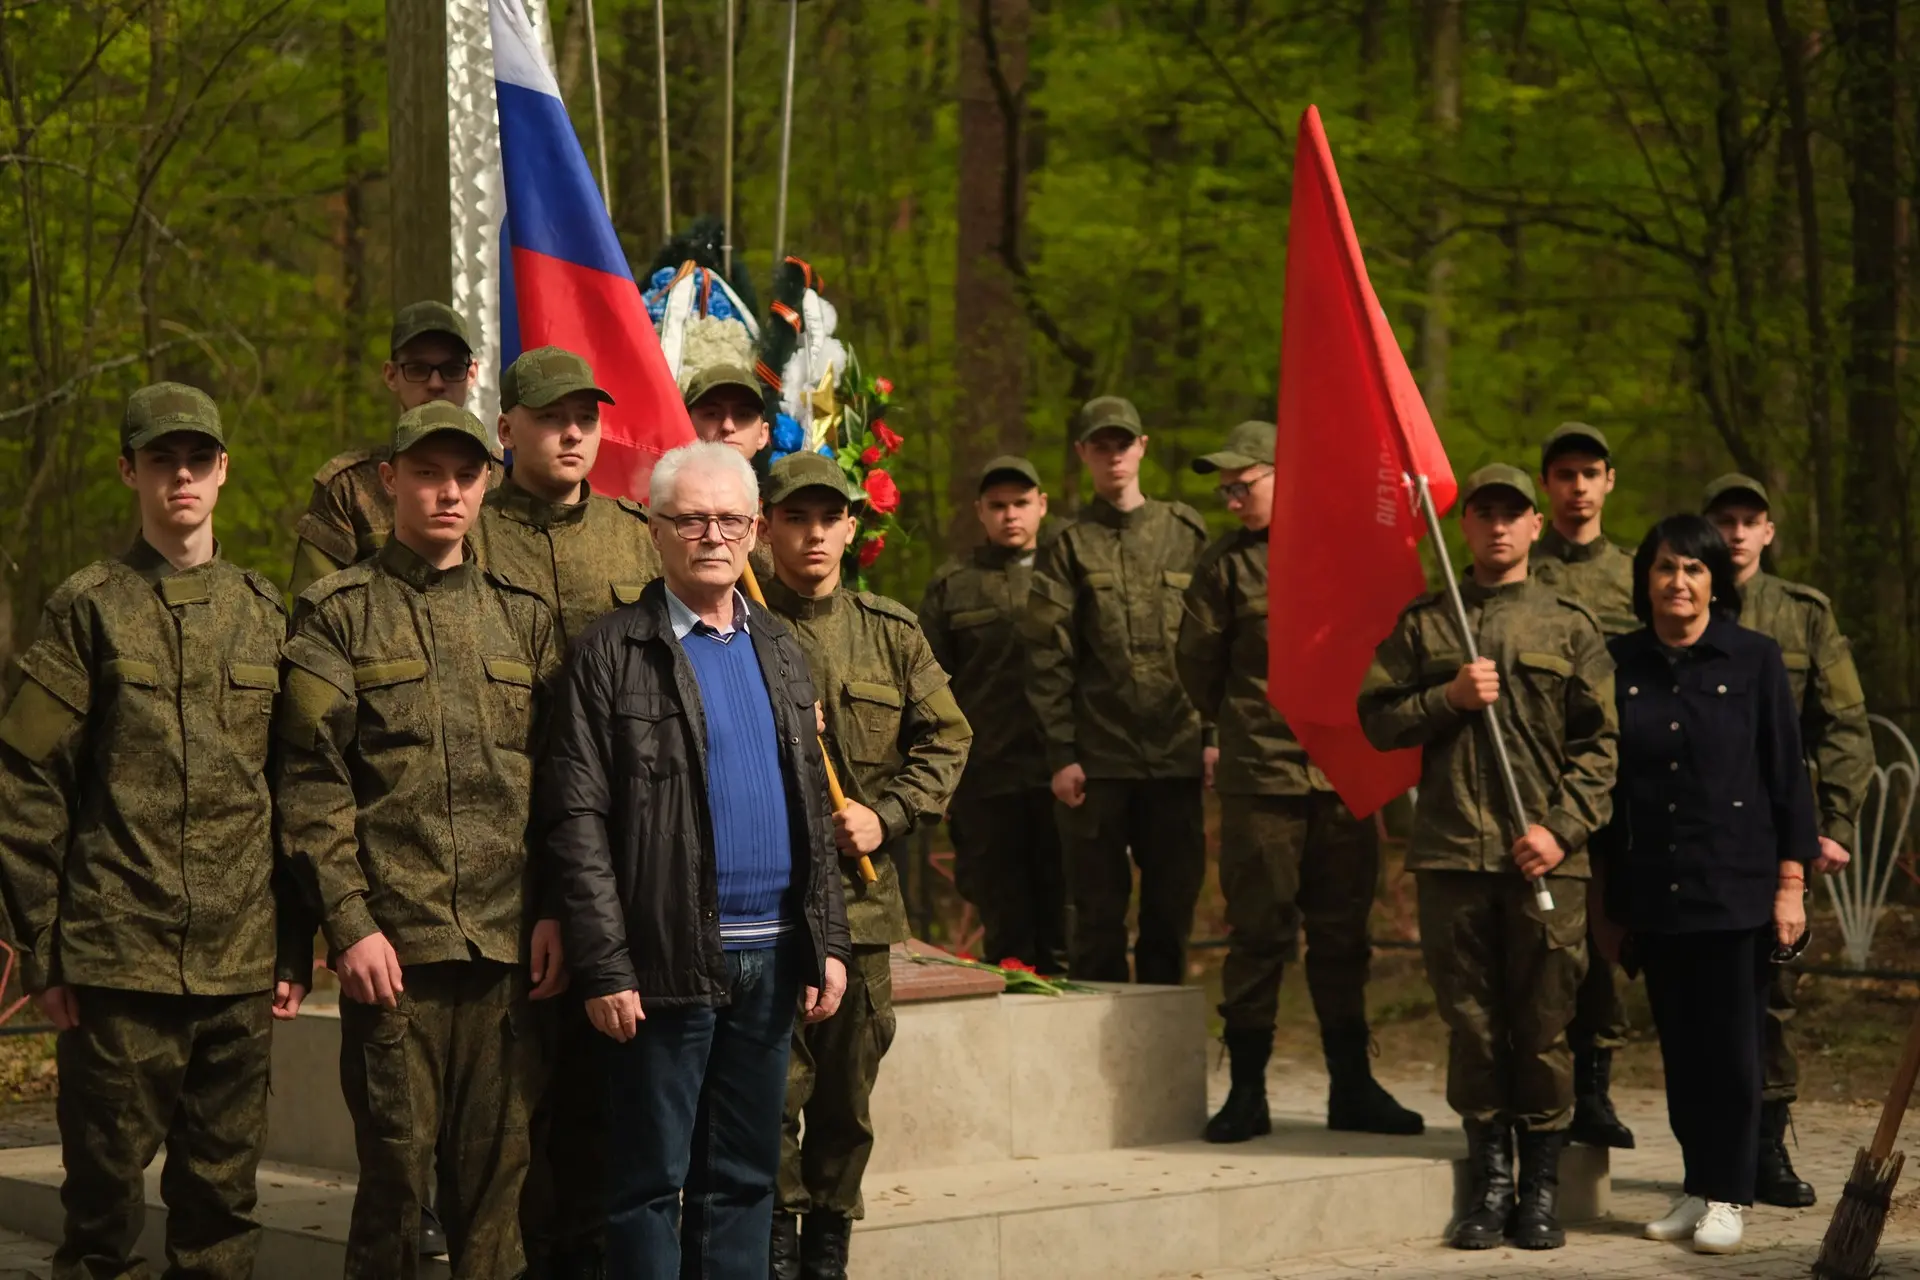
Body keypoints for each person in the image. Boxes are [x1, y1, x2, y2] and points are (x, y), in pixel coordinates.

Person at [0, 384, 310, 1280]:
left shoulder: (265, 614)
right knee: (100, 1216)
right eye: (161, 459)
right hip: (116, 963)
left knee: (223, 1215)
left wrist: (294, 944)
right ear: (129, 470)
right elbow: (28, 783)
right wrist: (44, 951)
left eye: (198, 459)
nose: (182, 476)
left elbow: (298, 793)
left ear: (223, 471)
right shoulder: (88, 608)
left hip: (237, 968)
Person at [537, 441, 851, 1279]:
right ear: (655, 529)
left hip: (773, 958)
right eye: (691, 520)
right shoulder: (610, 653)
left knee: (744, 1179)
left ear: (754, 530)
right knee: (648, 1182)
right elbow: (576, 819)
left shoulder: (780, 647)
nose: (712, 535)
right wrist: (605, 964)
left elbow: (811, 808)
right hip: (664, 960)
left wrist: (828, 941)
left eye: (729, 520)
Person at [275, 401, 565, 1279]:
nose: (448, 493)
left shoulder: (525, 618)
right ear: (388, 480)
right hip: (395, 953)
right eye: (428, 474)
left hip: (508, 953)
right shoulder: (338, 615)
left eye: (466, 476)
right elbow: (310, 783)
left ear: (486, 484)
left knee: (500, 1194)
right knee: (397, 1194)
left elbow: (563, 786)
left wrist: (558, 911)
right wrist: (349, 922)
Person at [1358, 464, 1617, 1252]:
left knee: (1542, 1027)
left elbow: (1602, 748)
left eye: (1513, 514)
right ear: (1464, 526)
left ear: (1536, 524)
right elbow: (1376, 718)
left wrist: (1561, 829)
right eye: (1484, 514)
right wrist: (1448, 699)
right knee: (1471, 1027)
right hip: (1452, 856)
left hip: (1544, 861)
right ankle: (1490, 1184)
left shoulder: (1569, 626)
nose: (1498, 527)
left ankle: (1539, 1188)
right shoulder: (1427, 624)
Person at [1177, 420, 1423, 1143]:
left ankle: (1353, 1086)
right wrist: (1248, 722)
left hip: (1344, 772)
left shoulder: (1349, 553)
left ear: (1285, 477)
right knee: (1258, 934)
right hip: (1264, 777)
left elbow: (1390, 642)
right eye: (1225, 491)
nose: (1231, 501)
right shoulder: (1224, 567)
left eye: (1242, 486)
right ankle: (1247, 1090)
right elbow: (1197, 666)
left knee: (1344, 937)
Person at [760, 451, 972, 1280]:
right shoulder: (738, 624)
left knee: (847, 1094)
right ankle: (775, 1244)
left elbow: (948, 737)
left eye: (829, 519)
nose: (813, 535)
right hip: (764, 902)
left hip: (861, 907)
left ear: (852, 527)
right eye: (795, 519)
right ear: (767, 528)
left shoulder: (891, 631)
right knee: (772, 1088)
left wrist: (886, 817)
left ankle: (827, 1245)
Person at [473, 345, 660, 1278]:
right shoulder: (468, 535)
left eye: (586, 417)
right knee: (507, 1102)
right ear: (508, 429)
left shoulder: (637, 538)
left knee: (602, 1089)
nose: (573, 433)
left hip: (615, 855)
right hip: (494, 850)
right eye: (552, 418)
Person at [1592, 514, 1816, 1255]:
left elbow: (1787, 776)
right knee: (1682, 1050)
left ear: (1714, 581)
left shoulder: (1754, 658)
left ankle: (1728, 1194)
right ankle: (1696, 1185)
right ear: (1645, 581)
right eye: (1665, 567)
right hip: (1655, 889)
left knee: (1732, 1051)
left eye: (1693, 568)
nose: (1678, 581)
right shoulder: (1619, 662)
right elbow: (1606, 789)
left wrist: (1792, 883)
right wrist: (1607, 903)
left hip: (1735, 887)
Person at [1704, 473, 1870, 1207]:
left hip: (1779, 838)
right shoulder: (1681, 608)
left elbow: (1845, 725)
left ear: (1769, 532)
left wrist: (1833, 824)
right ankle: (1710, 1153)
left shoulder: (1803, 615)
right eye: (1725, 520)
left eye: (1751, 520)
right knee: (1697, 998)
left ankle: (1767, 1146)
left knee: (1775, 993)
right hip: (1697, 838)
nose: (1737, 533)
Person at [1023, 395, 1209, 984]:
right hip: (1098, 762)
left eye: (1123, 444)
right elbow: (1047, 656)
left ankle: (1161, 1041)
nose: (1114, 456)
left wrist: (1213, 737)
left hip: (1178, 755)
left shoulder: (1185, 534)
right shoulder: (1068, 544)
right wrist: (1061, 754)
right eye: (1100, 446)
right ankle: (1100, 1041)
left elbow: (1213, 644)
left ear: (1142, 448)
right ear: (1083, 453)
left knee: (1171, 913)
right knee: (1097, 919)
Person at [1529, 422, 1637, 1152]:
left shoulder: (1638, 574)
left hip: (1623, 784)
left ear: (1609, 482)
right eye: (1564, 474)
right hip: (1540, 787)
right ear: (1547, 486)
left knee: (1607, 939)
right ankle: (1542, 1088)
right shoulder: (1519, 571)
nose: (1577, 487)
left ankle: (1595, 1088)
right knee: (1545, 942)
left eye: (1589, 473)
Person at [917, 455, 1065, 973]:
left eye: (1021, 503)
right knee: (1004, 923)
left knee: (1070, 917)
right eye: (998, 506)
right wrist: (940, 779)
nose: (1010, 515)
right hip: (985, 779)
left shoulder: (1068, 574)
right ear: (980, 511)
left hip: (1064, 775)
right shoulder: (952, 585)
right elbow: (927, 688)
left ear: (1042, 505)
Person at [288, 300, 477, 597]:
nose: (436, 383)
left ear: (472, 374)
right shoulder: (349, 487)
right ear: (391, 375)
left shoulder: (501, 478)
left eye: (452, 369)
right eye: (418, 369)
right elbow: (314, 607)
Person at [683, 359, 778, 587]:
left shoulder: (782, 523)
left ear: (763, 435)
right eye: (712, 414)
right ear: (684, 424)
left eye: (743, 415)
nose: (727, 426)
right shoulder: (659, 514)